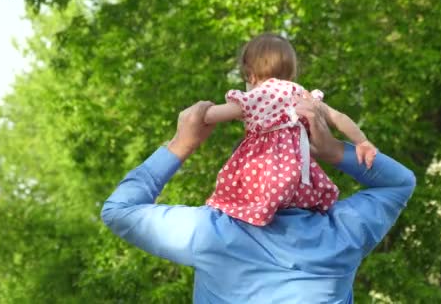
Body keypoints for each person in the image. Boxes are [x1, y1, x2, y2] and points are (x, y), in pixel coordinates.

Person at [101, 98, 416, 303]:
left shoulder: (210, 234)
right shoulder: (342, 234)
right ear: (307, 174)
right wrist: (333, 150)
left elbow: (119, 210)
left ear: (238, 174)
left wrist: (181, 145)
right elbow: (398, 183)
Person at [203, 33, 377, 226]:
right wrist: (362, 142)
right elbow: (338, 118)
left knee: (235, 201)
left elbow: (212, 116)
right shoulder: (302, 95)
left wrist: (202, 112)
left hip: (263, 176)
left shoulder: (259, 95)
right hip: (296, 177)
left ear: (250, 74)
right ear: (291, 71)